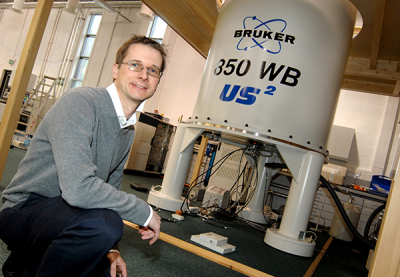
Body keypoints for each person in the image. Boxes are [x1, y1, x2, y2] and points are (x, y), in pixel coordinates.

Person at [0, 35, 167, 277]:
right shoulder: (81, 102)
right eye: (135, 65)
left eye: (153, 70)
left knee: (107, 262)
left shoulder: (127, 129)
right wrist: (146, 212)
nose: (144, 75)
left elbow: (110, 192)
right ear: (115, 69)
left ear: (157, 80)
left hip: (66, 213)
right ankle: (28, 257)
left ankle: (25, 267)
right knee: (105, 225)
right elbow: (79, 189)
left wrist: (111, 248)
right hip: (23, 210)